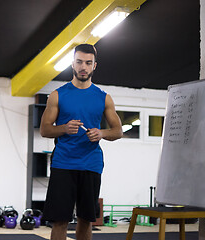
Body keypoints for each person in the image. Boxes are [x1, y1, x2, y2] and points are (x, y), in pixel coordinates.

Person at [40, 44, 123, 240]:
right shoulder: (58, 95)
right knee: (60, 220)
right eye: (79, 62)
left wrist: (101, 133)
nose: (83, 67)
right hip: (63, 163)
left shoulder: (104, 98)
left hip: (91, 164)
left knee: (86, 219)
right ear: (73, 64)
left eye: (88, 63)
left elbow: (118, 131)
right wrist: (64, 128)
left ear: (95, 66)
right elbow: (45, 129)